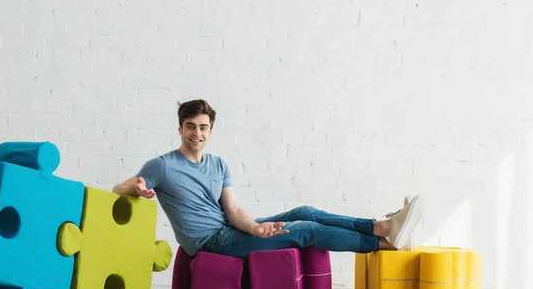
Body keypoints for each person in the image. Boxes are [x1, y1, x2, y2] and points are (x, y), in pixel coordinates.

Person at [113, 99, 424, 258]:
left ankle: (380, 226)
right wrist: (137, 188)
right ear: (180, 128)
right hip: (211, 242)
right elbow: (120, 188)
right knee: (307, 230)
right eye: (191, 126)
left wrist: (254, 227)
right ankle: (383, 245)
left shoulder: (218, 164)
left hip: (227, 229)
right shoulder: (162, 166)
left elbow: (233, 211)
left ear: (210, 130)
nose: (197, 133)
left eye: (203, 127)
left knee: (304, 213)